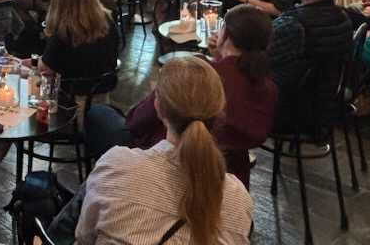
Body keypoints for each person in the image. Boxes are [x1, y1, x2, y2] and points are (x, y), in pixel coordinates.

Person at [59, 57, 252, 245]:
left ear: (158, 106)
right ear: (219, 112)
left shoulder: (117, 166)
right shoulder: (237, 200)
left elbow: (84, 236)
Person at [86, 5, 276, 189]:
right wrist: (219, 58)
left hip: (171, 162)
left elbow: (137, 120)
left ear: (225, 34)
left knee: (99, 113)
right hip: (231, 173)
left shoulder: (197, 74)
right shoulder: (267, 88)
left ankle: (105, 184)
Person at [268, 0, 353, 131]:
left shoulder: (293, 24)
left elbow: (257, 62)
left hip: (291, 112)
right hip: (326, 104)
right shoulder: (343, 17)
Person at [39, 0, 116, 92]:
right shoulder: (107, 20)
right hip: (102, 90)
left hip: (70, 95)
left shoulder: (63, 31)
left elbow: (46, 69)